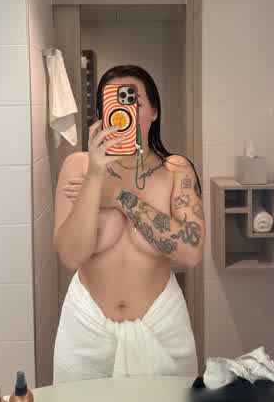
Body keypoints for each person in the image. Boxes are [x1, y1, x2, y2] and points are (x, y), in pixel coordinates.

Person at [52, 64, 205, 383]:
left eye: (134, 102)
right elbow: (70, 256)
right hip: (86, 331)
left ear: (154, 112)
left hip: (162, 327)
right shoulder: (78, 167)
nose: (125, 113)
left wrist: (120, 197)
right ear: (102, 115)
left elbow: (190, 253)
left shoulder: (175, 171)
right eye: (115, 103)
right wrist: (95, 175)